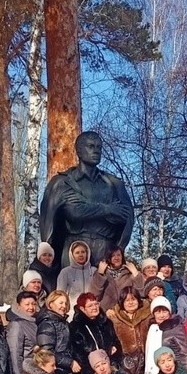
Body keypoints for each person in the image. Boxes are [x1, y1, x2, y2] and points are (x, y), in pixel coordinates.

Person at [40, 130, 134, 267]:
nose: (96, 151)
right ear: (78, 150)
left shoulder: (113, 184)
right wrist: (108, 209)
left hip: (105, 248)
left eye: (99, 147)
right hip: (73, 248)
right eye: (90, 146)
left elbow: (126, 217)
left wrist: (117, 250)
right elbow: (74, 212)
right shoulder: (63, 182)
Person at [70, 292, 121, 374]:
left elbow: (115, 342)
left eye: (96, 304)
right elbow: (76, 352)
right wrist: (92, 371)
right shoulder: (76, 326)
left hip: (109, 369)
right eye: (90, 305)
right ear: (82, 309)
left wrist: (114, 349)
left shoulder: (105, 322)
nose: (94, 307)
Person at [107, 286, 151, 374]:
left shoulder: (147, 316)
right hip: (124, 368)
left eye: (133, 299)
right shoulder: (114, 318)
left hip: (144, 367)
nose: (131, 302)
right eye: (127, 300)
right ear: (122, 302)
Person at [144, 296, 187, 374]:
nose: (161, 315)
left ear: (169, 312)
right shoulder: (153, 328)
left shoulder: (175, 328)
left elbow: (185, 354)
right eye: (158, 312)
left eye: (164, 311)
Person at [90, 245, 138, 312]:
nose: (116, 258)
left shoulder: (128, 272)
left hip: (126, 314)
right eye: (113, 256)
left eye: (118, 255)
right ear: (108, 257)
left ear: (122, 257)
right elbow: (94, 295)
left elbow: (141, 293)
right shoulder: (102, 272)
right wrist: (100, 274)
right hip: (106, 314)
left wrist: (135, 273)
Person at [7, 291, 39, 374]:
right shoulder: (16, 324)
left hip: (35, 371)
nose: (31, 307)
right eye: (27, 304)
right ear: (18, 306)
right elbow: (15, 352)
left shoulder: (34, 322)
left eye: (33, 304)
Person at [56, 240, 95, 317]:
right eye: (77, 253)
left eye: (83, 252)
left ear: (87, 254)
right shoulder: (65, 272)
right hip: (72, 313)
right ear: (72, 255)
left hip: (91, 312)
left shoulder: (94, 271)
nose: (80, 255)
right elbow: (60, 294)